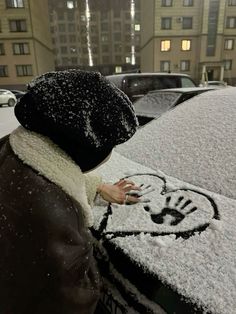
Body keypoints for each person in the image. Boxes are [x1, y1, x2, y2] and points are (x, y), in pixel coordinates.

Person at [0, 70, 140, 314]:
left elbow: (43, 175)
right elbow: (72, 300)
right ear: (85, 149)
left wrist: (93, 186)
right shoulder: (56, 217)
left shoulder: (7, 149)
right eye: (110, 146)